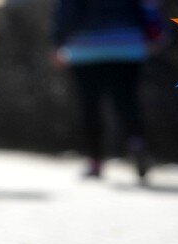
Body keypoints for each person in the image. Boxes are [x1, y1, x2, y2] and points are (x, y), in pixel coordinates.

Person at [52, 0, 163, 181]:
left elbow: (67, 9)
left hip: (85, 46)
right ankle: (137, 142)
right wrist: (155, 34)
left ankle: (95, 161)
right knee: (127, 100)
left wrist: (57, 42)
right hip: (127, 43)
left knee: (90, 105)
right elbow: (147, 5)